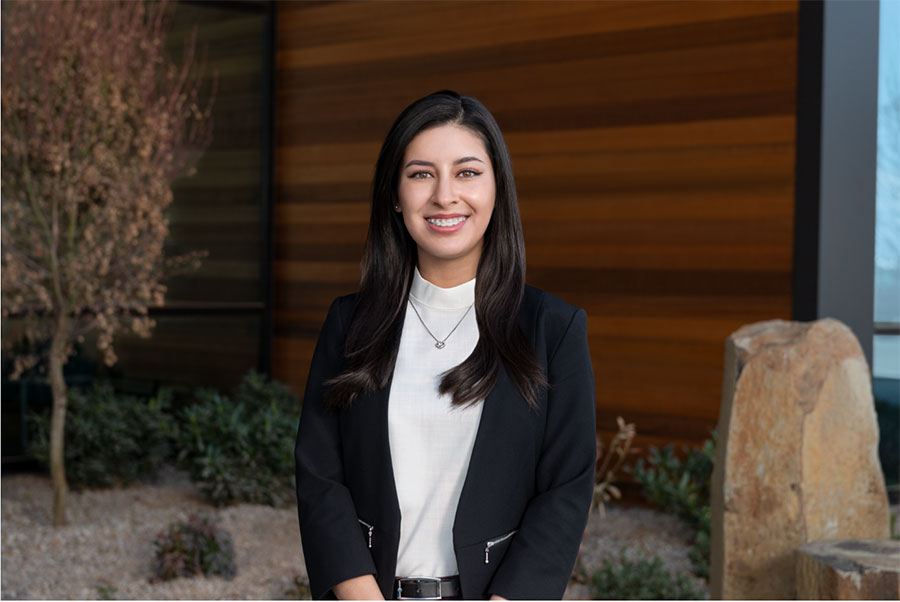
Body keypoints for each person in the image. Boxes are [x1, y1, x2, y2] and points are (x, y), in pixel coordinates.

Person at [294, 90, 597, 601]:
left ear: (497, 188)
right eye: (421, 174)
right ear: (395, 195)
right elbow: (320, 477)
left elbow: (566, 490)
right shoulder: (350, 323)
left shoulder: (552, 329)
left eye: (467, 172)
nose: (444, 195)